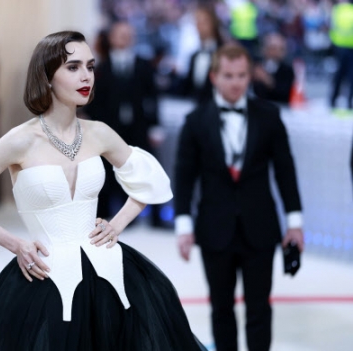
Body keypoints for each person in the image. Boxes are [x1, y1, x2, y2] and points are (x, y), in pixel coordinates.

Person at [0, 30, 207, 351]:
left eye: (90, 67)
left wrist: (117, 224)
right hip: (44, 275)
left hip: (109, 270)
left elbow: (151, 182)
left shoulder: (99, 133)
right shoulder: (20, 139)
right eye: (73, 67)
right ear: (47, 76)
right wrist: (15, 244)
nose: (86, 76)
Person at [175, 44, 304, 351]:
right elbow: (184, 175)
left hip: (260, 226)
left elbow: (285, 170)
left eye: (242, 75)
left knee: (260, 307)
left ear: (250, 76)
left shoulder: (269, 115)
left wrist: (295, 221)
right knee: (221, 308)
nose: (236, 82)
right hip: (213, 227)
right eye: (229, 76)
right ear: (213, 76)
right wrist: (183, 225)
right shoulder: (195, 120)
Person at [83, 22, 161, 225]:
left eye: (128, 34)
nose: (124, 38)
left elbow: (152, 96)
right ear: (111, 38)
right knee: (108, 168)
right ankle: (106, 211)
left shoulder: (144, 65)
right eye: (120, 34)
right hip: (110, 127)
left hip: (138, 126)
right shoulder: (100, 67)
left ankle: (150, 215)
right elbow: (94, 100)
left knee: (141, 166)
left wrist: (155, 125)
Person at [181, 5, 224, 104]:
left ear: (213, 23)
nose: (199, 25)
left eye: (203, 21)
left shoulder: (223, 52)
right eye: (197, 21)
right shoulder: (194, 56)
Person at [252, 33, 295, 104]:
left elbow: (285, 94)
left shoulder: (287, 70)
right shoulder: (256, 65)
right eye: (273, 48)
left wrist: (267, 80)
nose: (276, 52)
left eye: (281, 49)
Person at [329, 0, 353, 110]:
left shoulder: (337, 10)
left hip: (339, 47)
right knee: (351, 76)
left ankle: (333, 100)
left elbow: (332, 27)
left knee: (338, 75)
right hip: (351, 47)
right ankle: (349, 102)